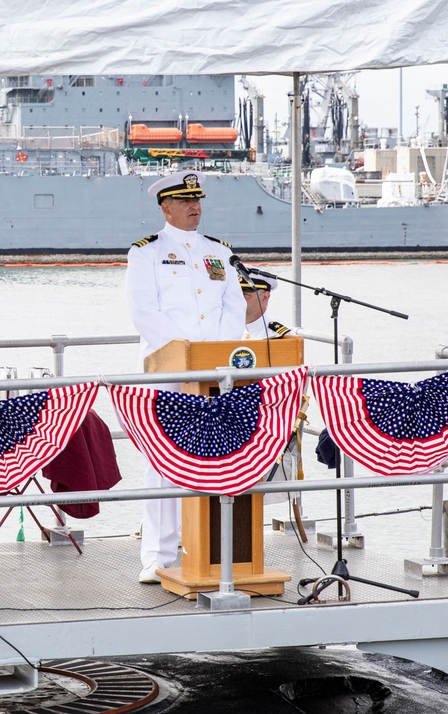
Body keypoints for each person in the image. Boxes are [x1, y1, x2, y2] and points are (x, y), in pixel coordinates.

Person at [124, 169, 247, 583]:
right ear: (166, 208)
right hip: (167, 370)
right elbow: (144, 312)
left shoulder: (220, 252)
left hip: (216, 371)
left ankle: (212, 551)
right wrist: (186, 356)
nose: (195, 207)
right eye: (185, 201)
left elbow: (234, 307)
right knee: (162, 463)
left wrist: (218, 353)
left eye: (198, 200)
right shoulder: (146, 253)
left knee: (217, 456)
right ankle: (159, 557)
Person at [239, 274, 296, 339]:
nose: (237, 299)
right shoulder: (227, 329)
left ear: (264, 297)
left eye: (244, 295)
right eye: (236, 294)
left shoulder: (282, 337)